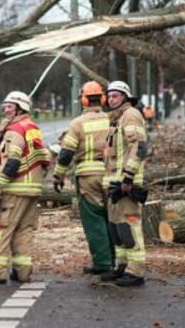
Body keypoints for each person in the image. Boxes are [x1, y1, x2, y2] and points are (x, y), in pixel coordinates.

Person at [0, 91, 51, 284]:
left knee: (3, 228)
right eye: (5, 106)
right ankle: (22, 272)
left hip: (15, 188)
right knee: (24, 230)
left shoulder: (15, 130)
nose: (6, 109)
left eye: (10, 106)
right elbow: (44, 157)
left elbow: (12, 161)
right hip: (32, 189)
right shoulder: (32, 127)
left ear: (20, 108)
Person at [53, 81, 113, 276]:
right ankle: (116, 260)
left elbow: (65, 153)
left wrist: (58, 176)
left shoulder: (78, 123)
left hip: (88, 178)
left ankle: (103, 263)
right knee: (111, 218)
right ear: (102, 98)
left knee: (94, 220)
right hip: (112, 175)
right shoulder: (112, 119)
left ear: (84, 100)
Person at [101, 81, 148, 287]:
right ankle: (122, 265)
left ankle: (136, 271)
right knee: (116, 227)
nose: (111, 99)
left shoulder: (130, 115)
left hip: (126, 183)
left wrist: (128, 176)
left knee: (129, 226)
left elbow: (139, 146)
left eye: (116, 96)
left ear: (125, 98)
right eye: (109, 96)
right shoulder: (116, 119)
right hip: (114, 183)